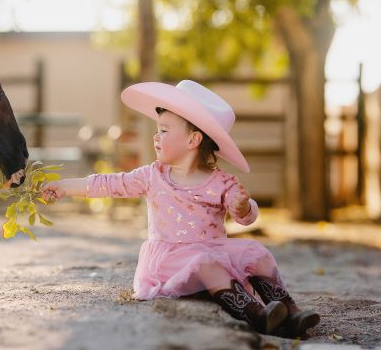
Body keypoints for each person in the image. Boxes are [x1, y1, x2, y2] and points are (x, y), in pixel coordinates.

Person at [42, 80, 320, 337]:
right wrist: (66, 185)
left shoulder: (222, 182)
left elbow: (245, 215)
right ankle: (256, 314)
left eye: (164, 130)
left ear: (193, 140)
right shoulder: (152, 176)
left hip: (212, 250)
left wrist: (244, 207)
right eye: (157, 130)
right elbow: (109, 183)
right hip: (170, 260)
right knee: (205, 263)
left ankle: (289, 312)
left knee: (257, 252)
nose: (156, 137)